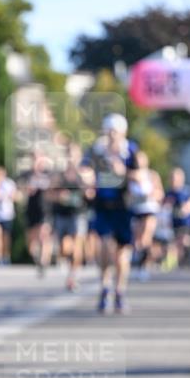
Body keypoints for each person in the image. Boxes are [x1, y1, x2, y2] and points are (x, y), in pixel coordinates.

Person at [84, 113, 138, 313]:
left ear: (122, 132)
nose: (112, 135)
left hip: (123, 208)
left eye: (115, 131)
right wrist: (86, 180)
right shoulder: (97, 151)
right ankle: (105, 288)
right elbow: (84, 169)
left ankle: (120, 291)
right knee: (105, 249)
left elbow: (141, 174)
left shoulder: (130, 151)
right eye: (109, 131)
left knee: (122, 256)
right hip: (103, 206)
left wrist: (124, 172)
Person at [49, 143, 90, 291]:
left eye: (74, 154)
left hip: (78, 213)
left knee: (77, 245)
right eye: (68, 154)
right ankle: (70, 269)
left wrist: (87, 190)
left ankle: (73, 276)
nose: (71, 158)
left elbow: (91, 193)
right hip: (62, 214)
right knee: (65, 248)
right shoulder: (59, 175)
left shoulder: (85, 173)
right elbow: (49, 194)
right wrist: (59, 196)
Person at [128, 150, 164, 280]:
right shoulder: (130, 175)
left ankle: (144, 267)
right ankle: (138, 264)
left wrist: (151, 195)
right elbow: (126, 194)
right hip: (136, 210)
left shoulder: (152, 175)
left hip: (149, 209)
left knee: (146, 238)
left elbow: (160, 192)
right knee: (137, 241)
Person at [22, 151, 53, 275]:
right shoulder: (26, 175)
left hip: (45, 209)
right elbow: (20, 190)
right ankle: (36, 257)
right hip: (31, 209)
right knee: (31, 241)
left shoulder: (48, 174)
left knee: (44, 235)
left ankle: (44, 261)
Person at [165, 167, 190, 266]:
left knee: (183, 240)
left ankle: (188, 252)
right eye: (172, 178)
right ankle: (178, 262)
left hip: (185, 222)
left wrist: (187, 208)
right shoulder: (169, 192)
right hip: (174, 222)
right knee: (176, 244)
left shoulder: (185, 191)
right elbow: (165, 205)